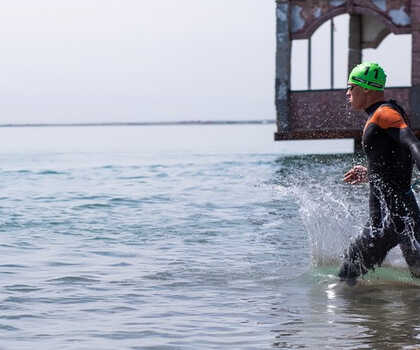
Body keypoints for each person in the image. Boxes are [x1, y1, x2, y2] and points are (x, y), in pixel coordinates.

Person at [338, 61, 420, 281]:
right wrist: (371, 173)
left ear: (365, 88)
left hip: (388, 221)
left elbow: (413, 145)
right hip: (402, 216)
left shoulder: (385, 114)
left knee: (345, 278)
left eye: (351, 87)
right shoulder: (386, 113)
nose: (348, 93)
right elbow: (397, 160)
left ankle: (348, 316)